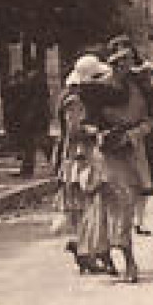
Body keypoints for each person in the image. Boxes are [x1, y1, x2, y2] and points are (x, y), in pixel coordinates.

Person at [55, 55, 126, 276]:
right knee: (90, 204)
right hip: (80, 156)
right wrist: (94, 131)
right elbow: (74, 131)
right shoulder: (74, 101)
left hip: (86, 156)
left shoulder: (82, 98)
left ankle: (87, 249)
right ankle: (90, 249)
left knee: (91, 206)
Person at [104, 38, 153, 237]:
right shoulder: (102, 85)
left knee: (140, 182)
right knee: (114, 186)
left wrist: (135, 133)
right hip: (109, 143)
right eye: (120, 59)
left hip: (135, 141)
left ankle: (138, 221)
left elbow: (150, 116)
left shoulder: (140, 86)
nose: (126, 64)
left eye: (129, 59)